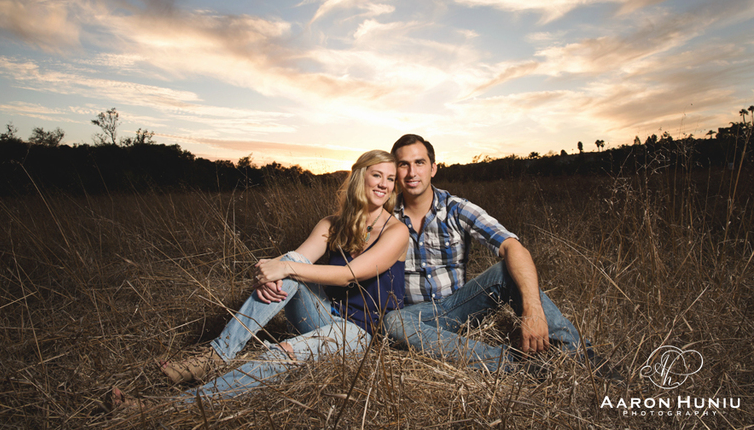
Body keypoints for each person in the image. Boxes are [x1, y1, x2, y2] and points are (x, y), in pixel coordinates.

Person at [113, 150, 408, 409]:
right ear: (359, 177)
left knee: (280, 349)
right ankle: (217, 355)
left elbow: (347, 276)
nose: (384, 184)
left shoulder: (396, 232)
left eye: (391, 179)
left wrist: (283, 268)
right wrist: (266, 270)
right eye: (377, 175)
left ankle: (167, 406)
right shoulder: (332, 223)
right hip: (325, 316)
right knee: (291, 263)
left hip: (358, 334)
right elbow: (297, 259)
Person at [381, 134, 615, 376]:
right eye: (403, 164)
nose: (412, 172)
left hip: (459, 305)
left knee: (505, 271)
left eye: (419, 162)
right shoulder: (384, 216)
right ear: (395, 171)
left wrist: (532, 309)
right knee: (393, 323)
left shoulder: (457, 208)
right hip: (414, 316)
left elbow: (512, 246)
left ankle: (579, 355)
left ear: (433, 169)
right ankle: (512, 366)